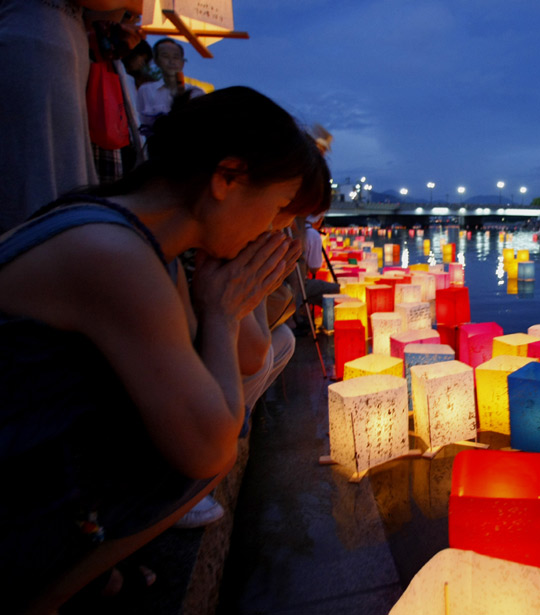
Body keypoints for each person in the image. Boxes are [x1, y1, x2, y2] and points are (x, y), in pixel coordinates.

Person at [0, 86, 331, 612]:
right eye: (277, 208)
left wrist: (234, 299)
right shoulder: (113, 253)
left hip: (37, 463)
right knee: (207, 442)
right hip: (17, 491)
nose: (275, 230)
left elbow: (245, 362)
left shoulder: (149, 244)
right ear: (227, 178)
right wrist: (221, 314)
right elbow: (207, 450)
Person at [0, 0, 142, 233]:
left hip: (62, 49)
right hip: (34, 44)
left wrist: (124, 18)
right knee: (35, 170)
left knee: (57, 168)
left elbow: (98, 12)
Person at [135, 38, 204, 134]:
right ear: (156, 61)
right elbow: (139, 125)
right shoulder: (146, 90)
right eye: (165, 56)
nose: (171, 62)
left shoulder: (196, 93)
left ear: (182, 62)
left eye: (176, 57)